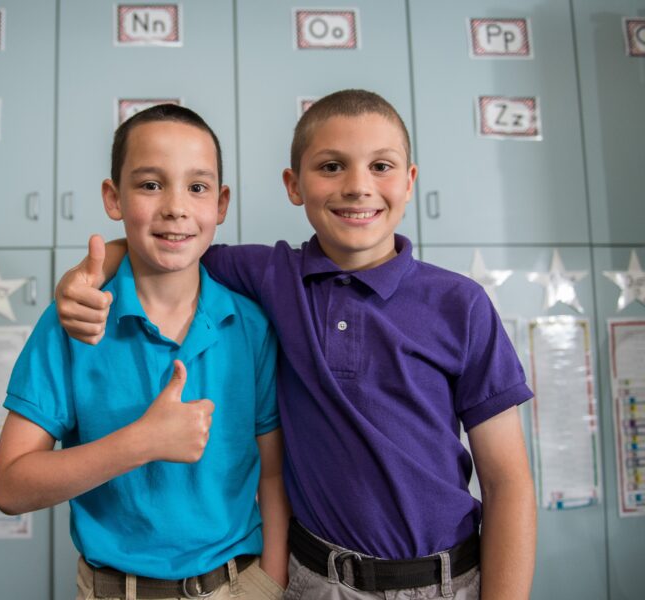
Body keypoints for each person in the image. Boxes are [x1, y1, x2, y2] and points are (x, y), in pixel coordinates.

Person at [54, 89, 537, 600]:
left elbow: (508, 483)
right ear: (294, 184)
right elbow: (169, 241)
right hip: (313, 580)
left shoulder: (460, 304)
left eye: (380, 166)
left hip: (445, 582)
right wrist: (85, 276)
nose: (357, 187)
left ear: (410, 181)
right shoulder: (270, 274)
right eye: (331, 167)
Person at [0, 104, 290, 600]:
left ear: (221, 204)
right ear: (114, 198)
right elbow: (10, 486)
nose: (175, 207)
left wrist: (271, 582)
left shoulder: (252, 325)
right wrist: (141, 442)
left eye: (196, 188)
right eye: (151, 185)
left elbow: (274, 471)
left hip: (240, 586)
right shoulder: (72, 322)